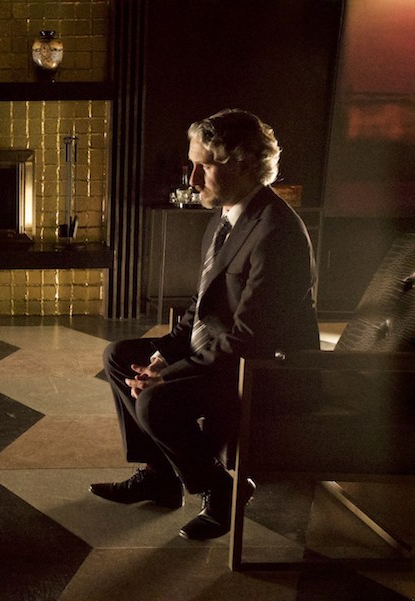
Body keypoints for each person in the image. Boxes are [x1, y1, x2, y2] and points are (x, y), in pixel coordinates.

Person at [90, 109, 319, 540]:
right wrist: (164, 357)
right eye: (192, 165)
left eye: (205, 166)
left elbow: (252, 338)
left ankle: (221, 489)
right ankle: (160, 477)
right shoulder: (225, 216)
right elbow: (201, 307)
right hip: (224, 351)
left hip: (265, 370)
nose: (193, 179)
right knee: (120, 357)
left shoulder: (278, 233)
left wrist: (169, 375)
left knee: (154, 400)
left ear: (245, 164)